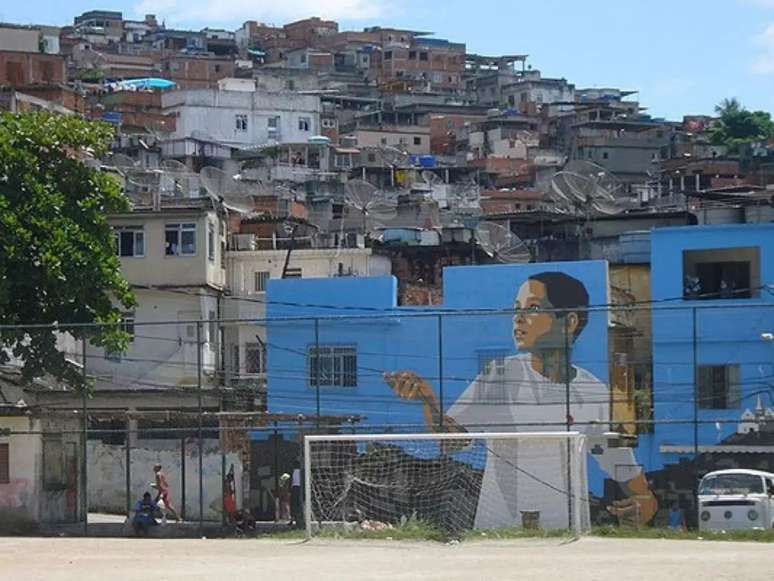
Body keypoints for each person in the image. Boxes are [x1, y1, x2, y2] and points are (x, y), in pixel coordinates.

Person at [386, 271, 658, 530]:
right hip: (499, 528)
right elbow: (452, 442)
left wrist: (644, 499)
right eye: (517, 309)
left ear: (570, 322)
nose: (518, 318)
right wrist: (428, 400)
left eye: (533, 308)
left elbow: (612, 453)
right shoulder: (500, 375)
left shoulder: (592, 391)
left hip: (565, 529)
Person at [290, 461, 303, 529]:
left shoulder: (294, 472)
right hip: (299, 487)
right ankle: (294, 519)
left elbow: (292, 481)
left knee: (294, 504)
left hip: (296, 487)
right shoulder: (301, 472)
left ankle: (293, 519)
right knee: (297, 504)